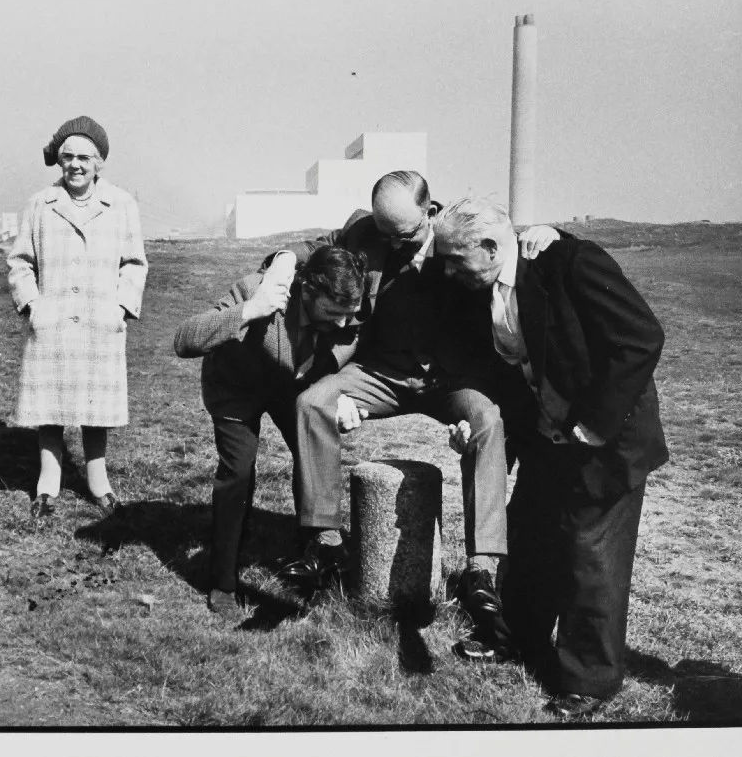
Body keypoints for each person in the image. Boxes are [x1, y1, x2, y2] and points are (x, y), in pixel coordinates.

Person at [266, 170, 559, 655]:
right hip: (384, 373)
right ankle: (323, 544)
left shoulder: (456, 236)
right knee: (312, 403)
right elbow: (315, 246)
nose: (388, 242)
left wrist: (550, 235)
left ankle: (483, 568)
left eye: (400, 234)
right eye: (382, 232)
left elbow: (510, 244)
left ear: (430, 211)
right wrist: (281, 263)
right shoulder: (368, 229)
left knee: (488, 421)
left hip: (452, 380)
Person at [434, 197, 668, 718]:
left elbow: (640, 339)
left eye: (455, 258)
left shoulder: (570, 263)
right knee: (530, 533)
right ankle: (516, 637)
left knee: (591, 555)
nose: (448, 270)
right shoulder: (479, 288)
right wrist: (476, 422)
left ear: (493, 247)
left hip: (605, 440)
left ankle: (589, 678)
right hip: (545, 435)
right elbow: (499, 367)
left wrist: (596, 422)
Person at [174, 246, 367, 617]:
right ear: (307, 291)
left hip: (290, 387)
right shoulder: (256, 289)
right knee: (239, 471)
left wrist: (343, 392)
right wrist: (250, 310)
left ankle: (315, 562)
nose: (343, 324)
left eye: (350, 315)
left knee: (314, 451)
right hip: (235, 387)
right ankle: (223, 582)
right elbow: (183, 340)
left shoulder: (349, 307)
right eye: (334, 313)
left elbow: (353, 343)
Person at [8, 116, 148, 520]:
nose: (75, 165)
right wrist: (34, 306)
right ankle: (48, 481)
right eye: (67, 156)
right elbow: (19, 262)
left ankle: (97, 480)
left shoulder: (121, 204)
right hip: (52, 322)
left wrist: (120, 308)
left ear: (100, 162)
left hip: (99, 322)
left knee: (95, 406)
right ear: (59, 161)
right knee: (48, 406)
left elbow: (135, 263)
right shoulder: (39, 204)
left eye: (85, 157)